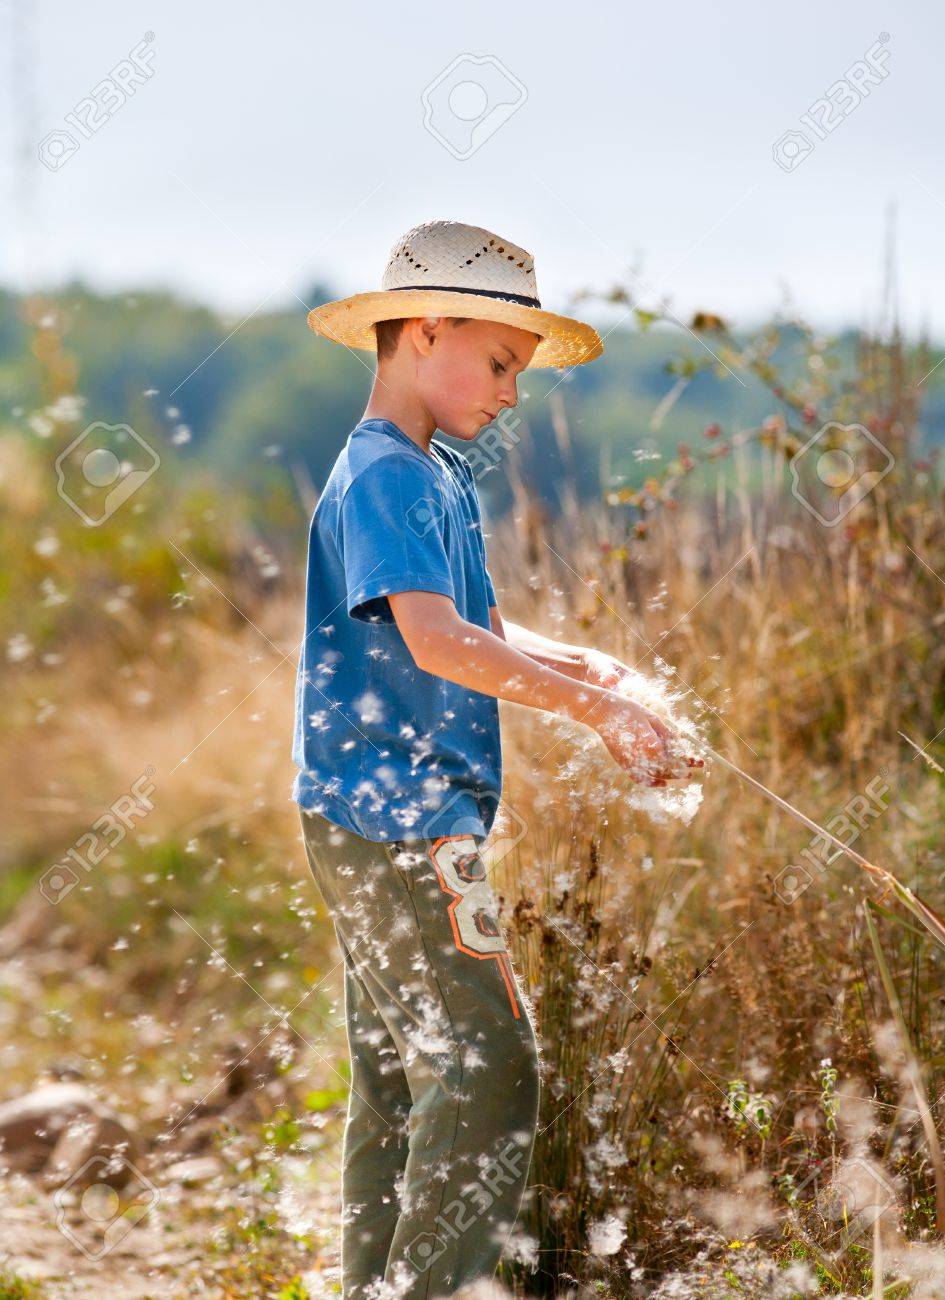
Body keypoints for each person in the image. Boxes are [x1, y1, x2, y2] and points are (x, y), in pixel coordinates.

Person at [292, 219, 702, 1299]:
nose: (514, 392)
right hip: (401, 824)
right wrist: (594, 717)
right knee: (486, 1076)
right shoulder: (385, 475)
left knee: (400, 1082)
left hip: (370, 816)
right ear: (428, 329)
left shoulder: (426, 474)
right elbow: (435, 644)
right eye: (505, 361)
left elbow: (472, 624)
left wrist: (601, 673)